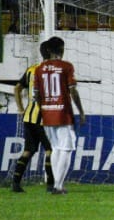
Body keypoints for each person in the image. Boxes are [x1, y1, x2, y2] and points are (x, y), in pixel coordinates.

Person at [33, 37, 86, 195]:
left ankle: (53, 183)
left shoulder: (39, 69)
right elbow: (73, 90)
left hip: (47, 113)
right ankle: (58, 186)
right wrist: (81, 111)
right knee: (67, 148)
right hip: (63, 113)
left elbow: (36, 94)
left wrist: (43, 109)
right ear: (61, 49)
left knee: (56, 148)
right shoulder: (66, 66)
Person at [9, 42, 56, 192]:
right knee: (50, 150)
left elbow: (17, 88)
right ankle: (50, 185)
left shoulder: (31, 69)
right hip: (43, 119)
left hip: (29, 117)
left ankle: (15, 183)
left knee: (29, 150)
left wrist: (21, 109)